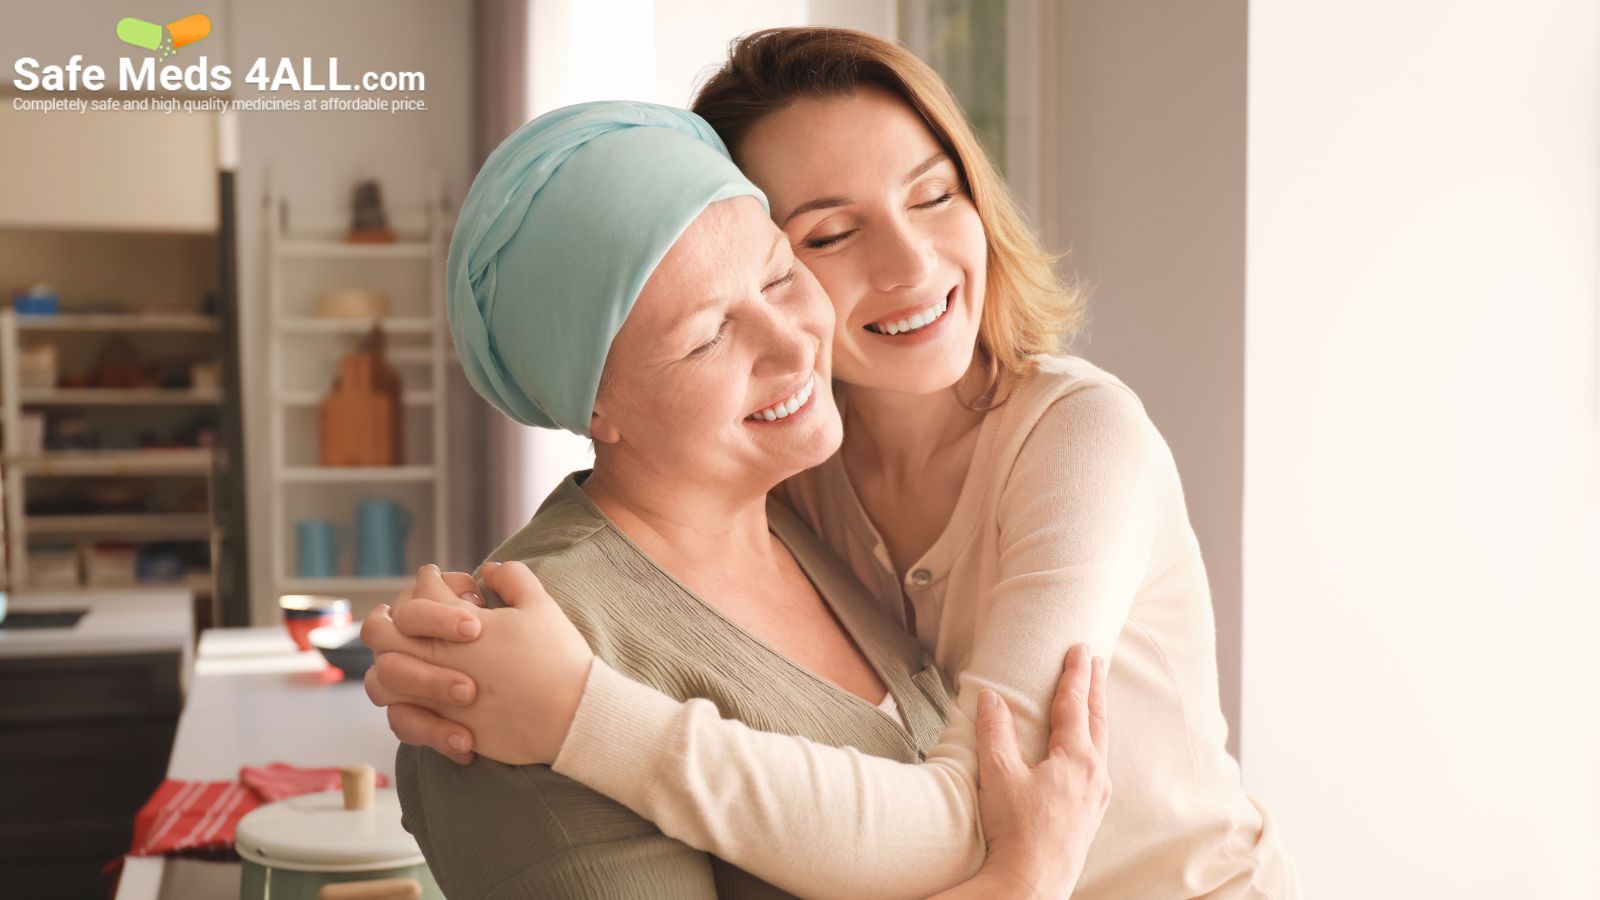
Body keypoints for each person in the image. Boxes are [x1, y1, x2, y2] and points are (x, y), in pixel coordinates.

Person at [369, 26, 1297, 900]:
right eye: (826, 237)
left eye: (934, 194)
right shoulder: (797, 472)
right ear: (589, 404)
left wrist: (583, 714)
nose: (908, 263)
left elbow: (971, 813)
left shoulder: (1076, 439)